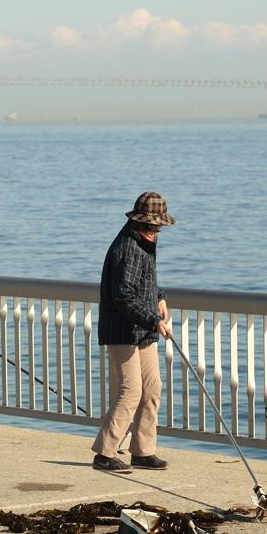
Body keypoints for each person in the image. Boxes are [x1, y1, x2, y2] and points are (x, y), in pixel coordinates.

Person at [90, 192, 175, 474]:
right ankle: (105, 454)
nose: (157, 228)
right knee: (130, 390)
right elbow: (123, 294)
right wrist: (154, 319)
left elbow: (146, 280)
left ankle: (142, 452)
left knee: (152, 388)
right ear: (140, 221)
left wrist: (159, 297)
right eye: (153, 224)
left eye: (158, 223)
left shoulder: (145, 240)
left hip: (143, 327)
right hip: (122, 329)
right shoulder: (127, 247)